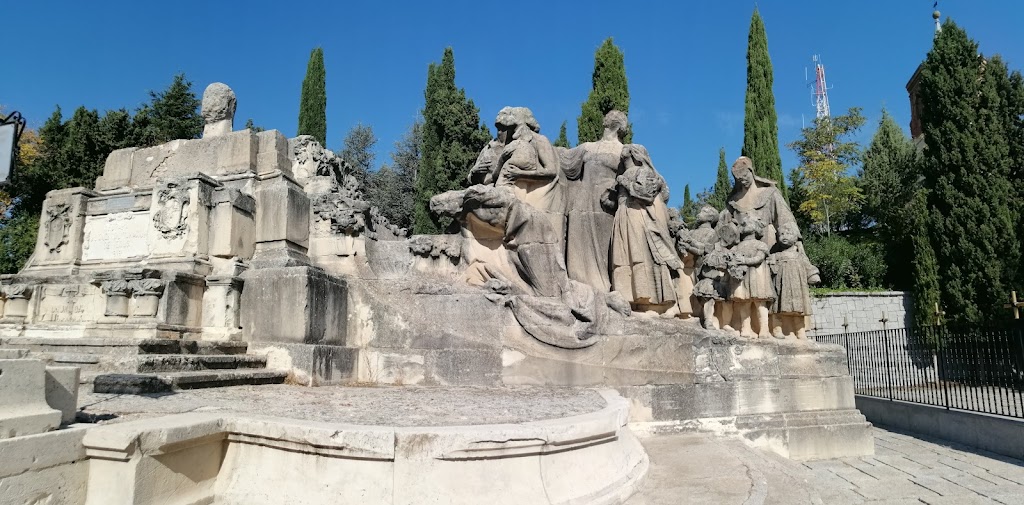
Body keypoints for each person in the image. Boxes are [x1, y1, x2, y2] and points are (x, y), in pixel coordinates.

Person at [559, 110, 629, 292]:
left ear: (622, 126)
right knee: (577, 247)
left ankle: (604, 291)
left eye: (617, 117)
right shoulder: (587, 147)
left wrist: (615, 193)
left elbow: (633, 178)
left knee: (603, 250)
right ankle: (579, 289)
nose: (611, 117)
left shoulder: (624, 151)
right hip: (581, 201)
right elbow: (563, 161)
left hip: (605, 205)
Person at [609, 144, 681, 314]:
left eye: (626, 151)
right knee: (624, 257)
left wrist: (624, 182)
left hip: (638, 216)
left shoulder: (644, 171)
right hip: (624, 214)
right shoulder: (626, 173)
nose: (622, 153)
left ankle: (653, 303)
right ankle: (630, 299)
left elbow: (646, 194)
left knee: (643, 256)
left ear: (635, 155)